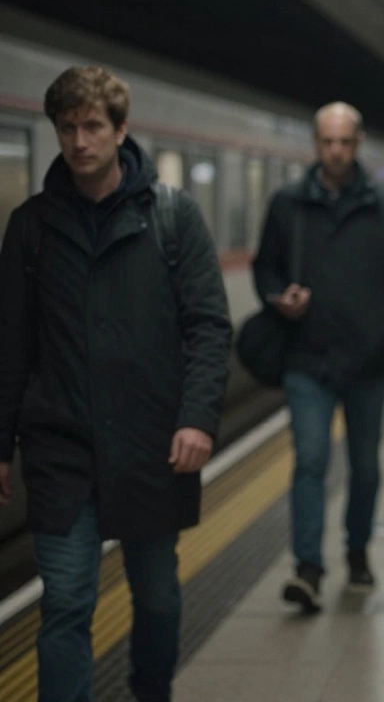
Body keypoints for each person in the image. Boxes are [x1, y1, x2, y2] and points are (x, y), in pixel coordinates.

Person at [0, 66, 232, 702]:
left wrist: (197, 418)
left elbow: (209, 326)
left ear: (121, 129)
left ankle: (150, 692)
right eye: (67, 127)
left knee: (156, 598)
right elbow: (11, 345)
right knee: (68, 603)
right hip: (61, 447)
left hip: (152, 444)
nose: (79, 140)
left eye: (92, 126)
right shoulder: (32, 226)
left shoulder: (171, 217)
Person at [251, 102, 384, 612]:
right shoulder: (288, 204)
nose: (336, 152)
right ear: (315, 143)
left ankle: (357, 549)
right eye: (327, 142)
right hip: (308, 357)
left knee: (365, 467)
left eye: (345, 142)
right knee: (310, 461)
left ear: (358, 141)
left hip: (367, 361)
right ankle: (307, 567)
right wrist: (278, 296)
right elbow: (266, 268)